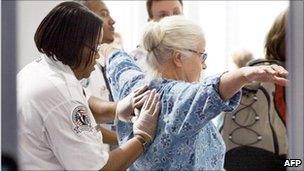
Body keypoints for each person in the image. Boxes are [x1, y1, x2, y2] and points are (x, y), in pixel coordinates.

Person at [100, 15, 289, 170]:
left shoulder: (133, 86)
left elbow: (120, 65)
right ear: (178, 58)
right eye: (201, 55)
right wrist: (245, 75)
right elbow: (210, 91)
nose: (204, 64)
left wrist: (107, 49)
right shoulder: (176, 98)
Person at [17, 2, 160, 170]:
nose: (98, 55)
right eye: (96, 47)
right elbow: (100, 169)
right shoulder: (61, 93)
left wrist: (118, 108)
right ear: (76, 46)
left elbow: (85, 101)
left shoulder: (39, 69)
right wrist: (142, 138)